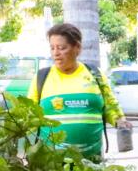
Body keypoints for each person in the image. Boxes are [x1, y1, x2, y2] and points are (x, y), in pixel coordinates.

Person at [35, 22, 126, 159]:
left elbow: (109, 106)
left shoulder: (95, 74)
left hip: (91, 163)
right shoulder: (42, 77)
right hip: (52, 165)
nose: (56, 53)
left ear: (77, 47)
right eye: (52, 48)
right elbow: (28, 115)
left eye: (61, 48)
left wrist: (121, 122)